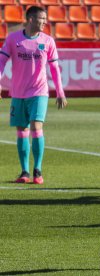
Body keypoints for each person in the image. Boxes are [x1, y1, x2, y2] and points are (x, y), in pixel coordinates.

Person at [0, 6, 67, 185]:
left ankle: (38, 170)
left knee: (36, 127)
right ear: (30, 19)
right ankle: (25, 172)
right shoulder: (13, 39)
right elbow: (1, 61)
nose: (45, 22)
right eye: (41, 18)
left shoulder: (48, 41)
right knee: (22, 130)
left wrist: (60, 91)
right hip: (18, 93)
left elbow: (54, 69)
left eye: (45, 18)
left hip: (39, 92)